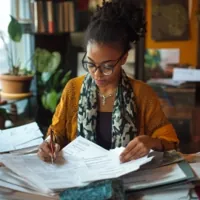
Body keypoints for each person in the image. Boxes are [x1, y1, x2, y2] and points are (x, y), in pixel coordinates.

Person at [38, 0, 179, 163]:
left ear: (124, 58)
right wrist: (49, 144)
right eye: (90, 64)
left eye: (107, 67)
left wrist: (153, 142)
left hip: (129, 178)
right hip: (80, 177)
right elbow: (57, 134)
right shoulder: (73, 89)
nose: (97, 74)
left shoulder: (142, 94)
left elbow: (170, 142)